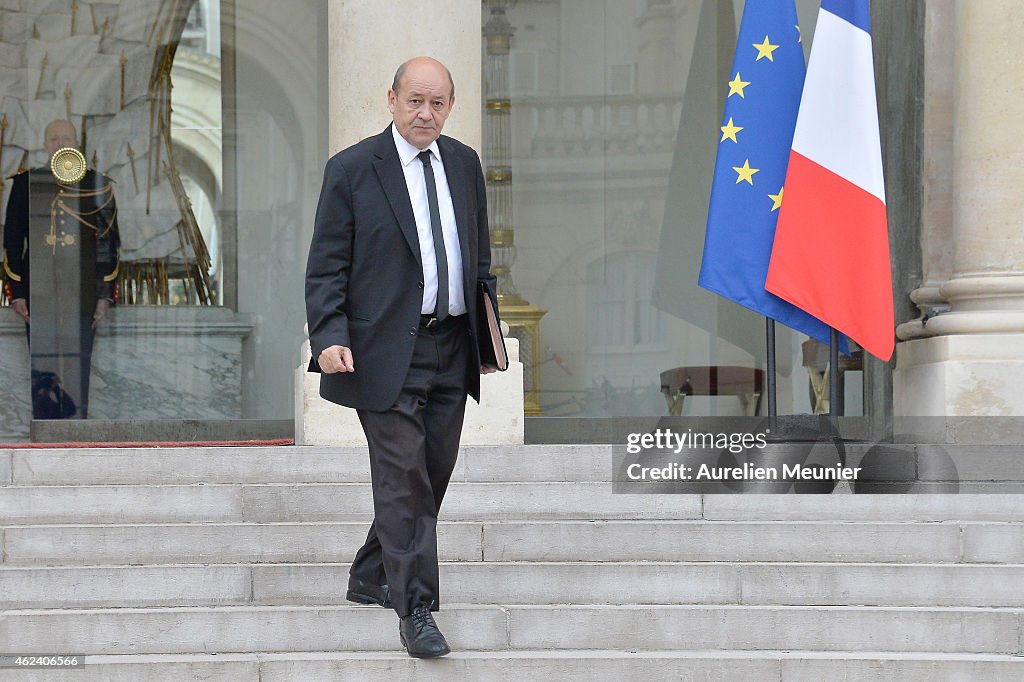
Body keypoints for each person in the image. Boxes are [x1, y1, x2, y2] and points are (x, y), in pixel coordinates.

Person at [305, 56, 497, 659]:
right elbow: (327, 265)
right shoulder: (354, 169)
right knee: (402, 477)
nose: (426, 113)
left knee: (431, 473)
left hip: (450, 344)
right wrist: (328, 334)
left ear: (451, 106)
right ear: (391, 99)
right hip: (381, 352)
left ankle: (370, 571)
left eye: (438, 103)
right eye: (415, 100)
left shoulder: (465, 165)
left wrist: (486, 337)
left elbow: (479, 260)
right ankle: (416, 608)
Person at [2, 119, 120, 419]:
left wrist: (104, 295)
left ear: (77, 142)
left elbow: (108, 243)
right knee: (41, 366)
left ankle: (76, 431)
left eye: (66, 137)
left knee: (78, 362)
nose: (61, 143)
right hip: (38, 292)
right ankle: (46, 433)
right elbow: (13, 242)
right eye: (53, 138)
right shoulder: (26, 183)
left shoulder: (97, 184)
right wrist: (17, 293)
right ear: (45, 144)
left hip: (82, 293)